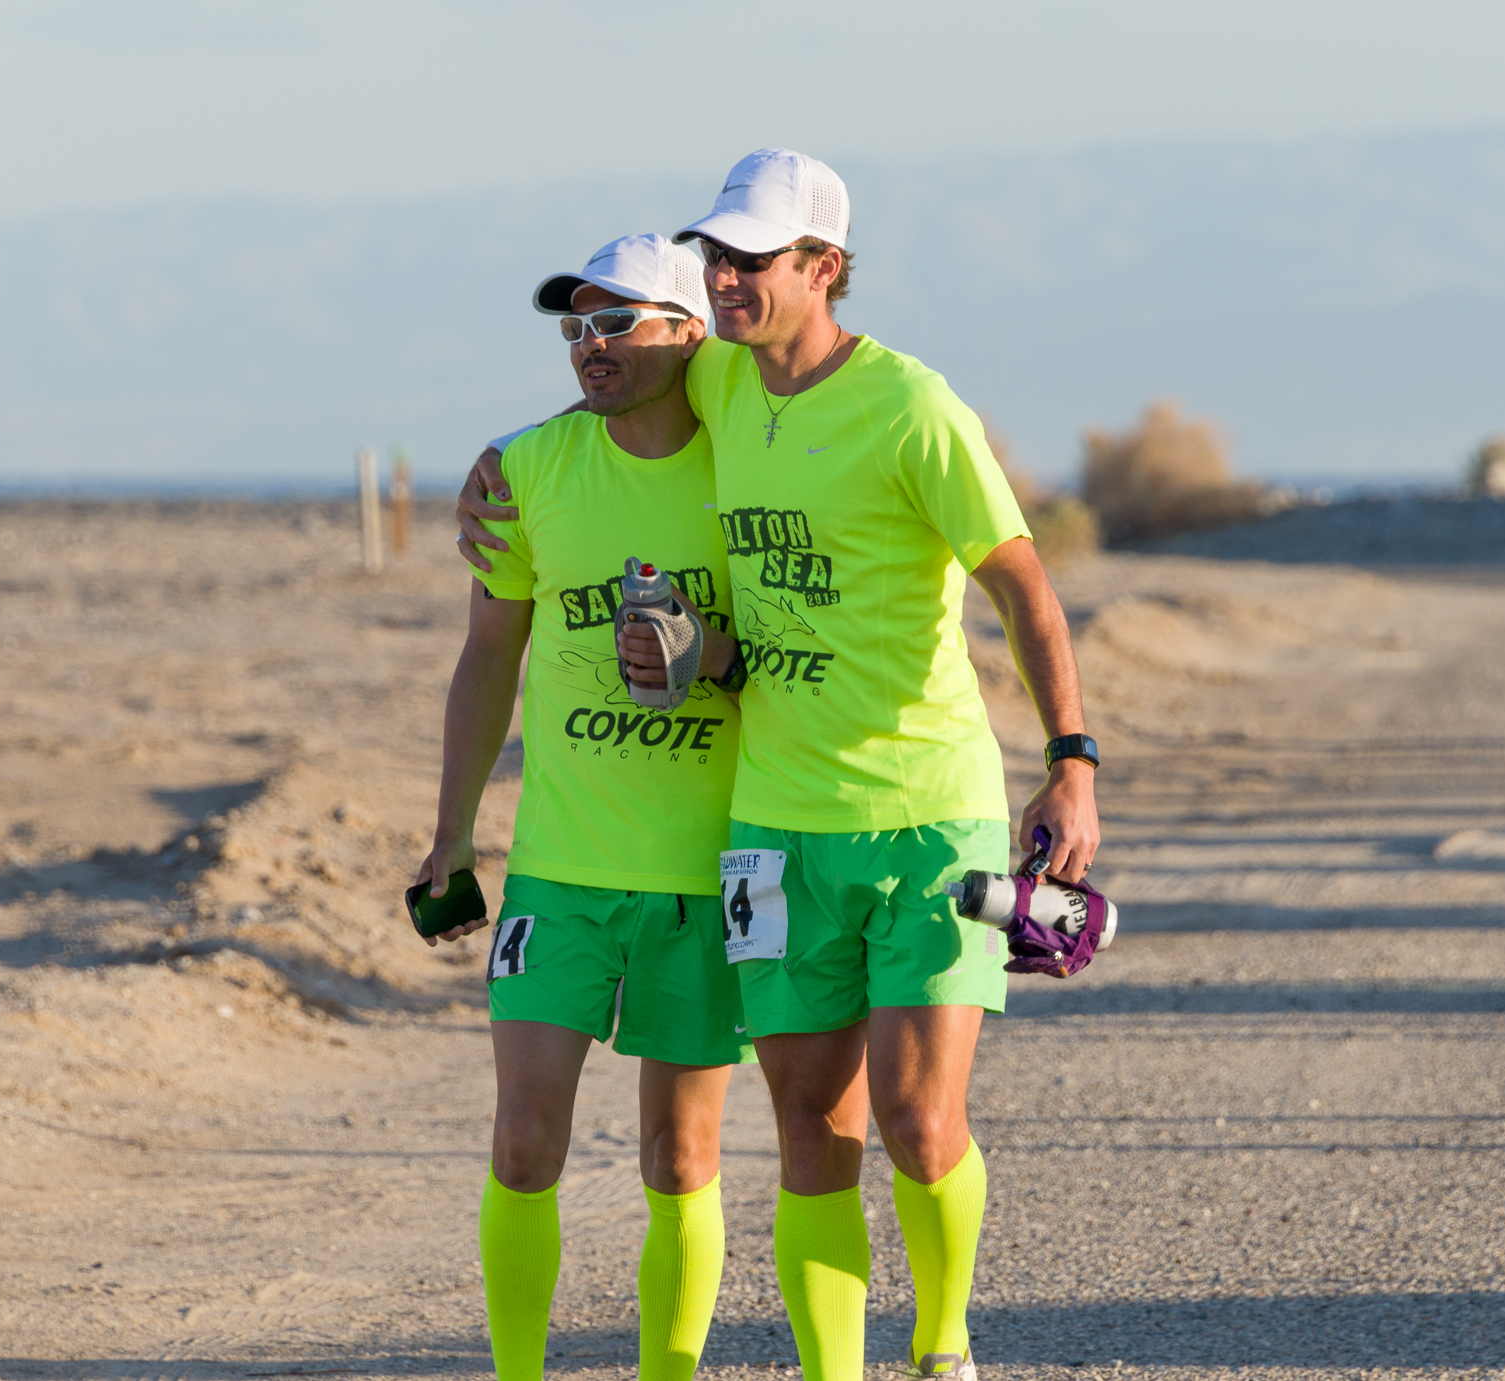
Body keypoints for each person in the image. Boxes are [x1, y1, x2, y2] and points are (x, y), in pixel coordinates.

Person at [456, 150, 1102, 1381]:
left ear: (825, 268)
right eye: (718, 257)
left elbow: (1020, 580)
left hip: (927, 814)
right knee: (812, 1134)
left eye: (756, 257)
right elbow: (616, 371)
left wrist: (1069, 759)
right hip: (772, 826)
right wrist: (502, 463)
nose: (729, 276)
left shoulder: (912, 406)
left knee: (918, 1125)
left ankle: (944, 1344)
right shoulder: (718, 378)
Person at [416, 233, 754, 1381]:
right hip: (559, 870)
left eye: (617, 323)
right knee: (521, 1143)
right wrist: (450, 833)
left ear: (686, 335)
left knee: (679, 1156)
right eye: (574, 326)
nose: (588, 346)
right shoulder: (527, 469)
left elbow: (809, 644)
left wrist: (706, 657)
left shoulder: (753, 474)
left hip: (706, 875)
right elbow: (485, 661)